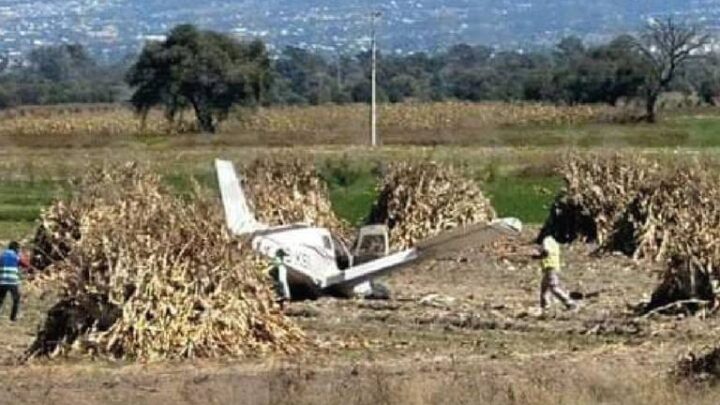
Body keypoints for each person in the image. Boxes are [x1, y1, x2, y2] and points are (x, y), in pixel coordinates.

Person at [536, 236, 576, 313]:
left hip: (549, 266)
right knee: (544, 289)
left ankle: (569, 302)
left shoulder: (546, 240)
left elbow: (546, 252)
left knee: (553, 287)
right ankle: (545, 308)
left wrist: (538, 256)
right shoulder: (554, 241)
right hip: (553, 266)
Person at [0, 241, 28, 322]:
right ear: (15, 248)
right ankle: (13, 317)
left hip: (2, 281)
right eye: (18, 249)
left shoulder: (2, 255)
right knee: (16, 299)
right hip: (12, 282)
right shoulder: (15, 256)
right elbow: (26, 265)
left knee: (0, 299)